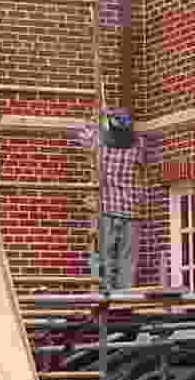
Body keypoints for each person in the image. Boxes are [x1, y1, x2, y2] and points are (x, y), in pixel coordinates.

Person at [67, 108, 162, 289]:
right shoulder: (138, 147)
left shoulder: (100, 145)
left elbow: (82, 134)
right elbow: (146, 151)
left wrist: (99, 118)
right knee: (127, 261)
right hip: (131, 210)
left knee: (106, 258)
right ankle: (124, 299)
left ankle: (107, 296)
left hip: (107, 209)